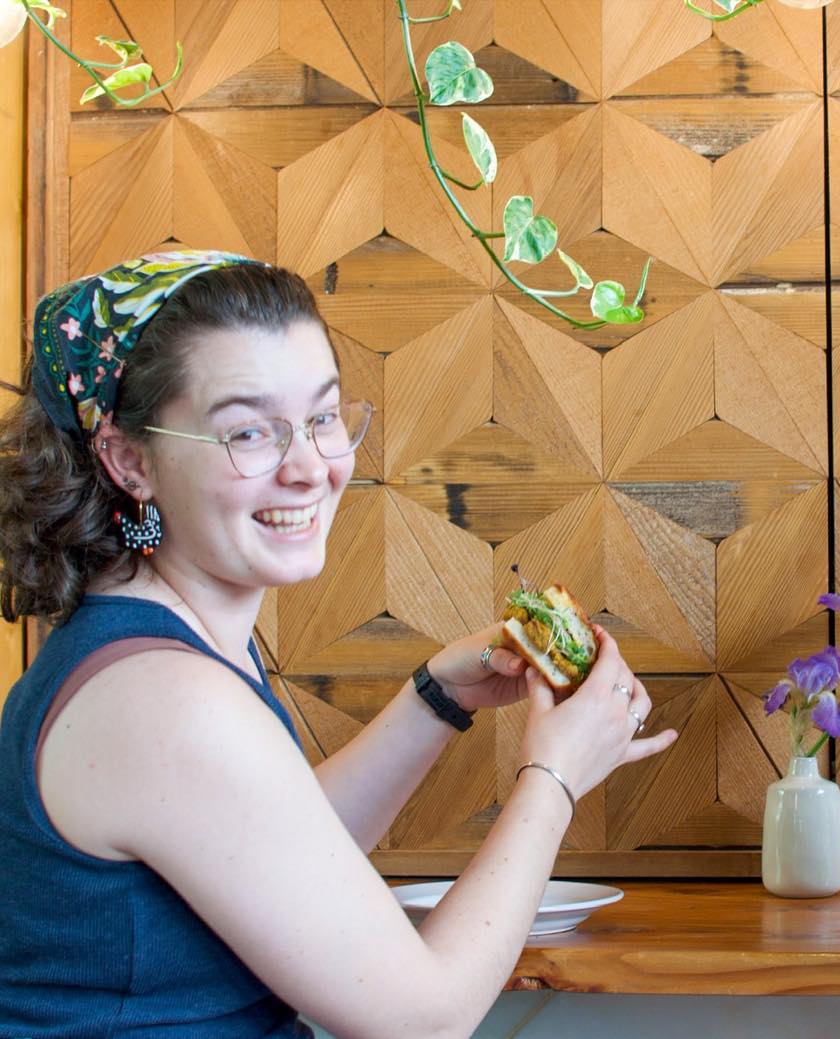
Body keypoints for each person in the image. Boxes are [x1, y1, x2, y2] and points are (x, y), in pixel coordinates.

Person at [0, 250, 677, 1039]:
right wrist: (554, 777)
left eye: (322, 418)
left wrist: (439, 697)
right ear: (130, 460)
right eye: (248, 431)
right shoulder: (166, 700)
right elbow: (423, 1020)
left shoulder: (161, 642)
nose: (309, 467)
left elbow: (274, 854)